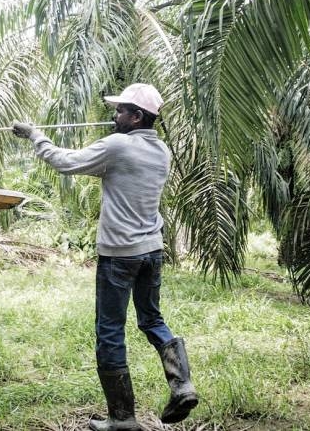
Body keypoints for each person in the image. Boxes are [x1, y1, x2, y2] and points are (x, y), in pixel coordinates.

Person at [12, 83, 198, 429]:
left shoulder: (117, 146)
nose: (115, 116)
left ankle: (122, 420)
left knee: (110, 331)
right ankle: (182, 384)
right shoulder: (161, 152)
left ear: (136, 116)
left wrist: (35, 135)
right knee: (153, 321)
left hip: (119, 256)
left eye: (120, 111)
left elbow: (64, 162)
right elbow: (107, 168)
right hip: (152, 252)